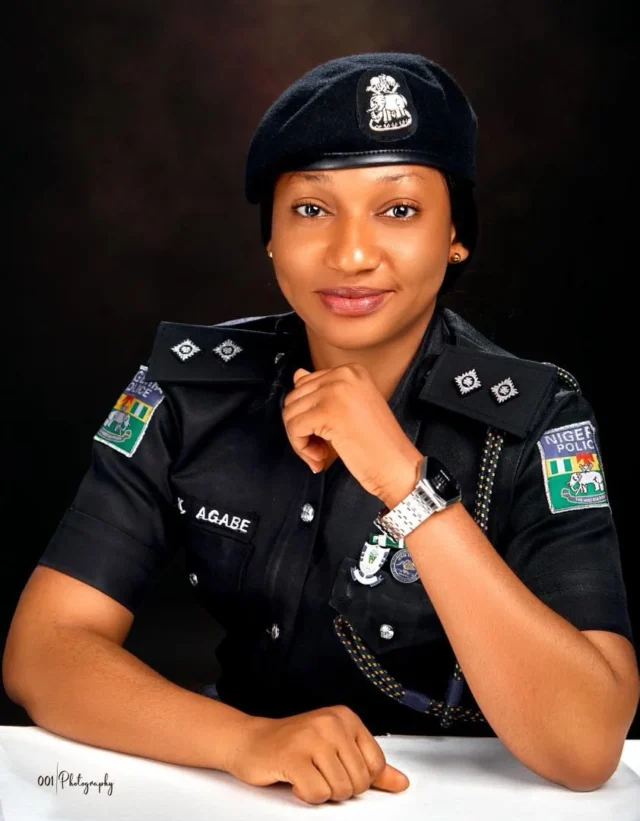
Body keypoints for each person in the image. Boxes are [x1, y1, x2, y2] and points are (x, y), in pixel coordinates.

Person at [3, 52, 639, 804]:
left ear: (456, 234)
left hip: (460, 799)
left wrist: (404, 482)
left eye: (398, 210)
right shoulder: (189, 391)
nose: (352, 254)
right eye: (311, 209)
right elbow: (43, 651)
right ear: (270, 235)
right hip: (242, 790)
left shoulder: (537, 417)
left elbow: (587, 744)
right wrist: (243, 740)